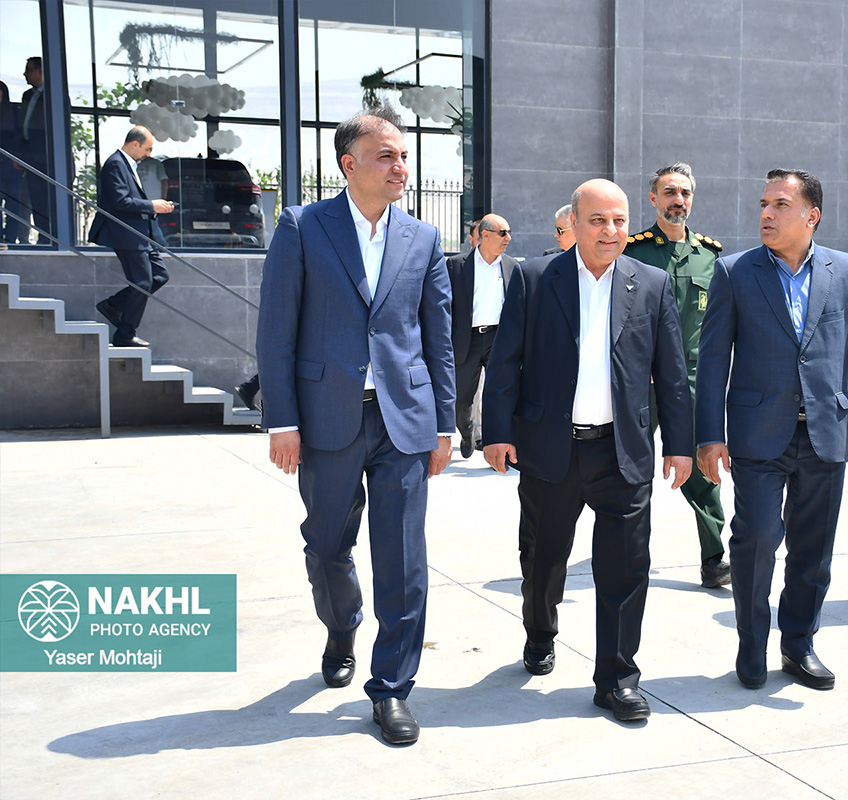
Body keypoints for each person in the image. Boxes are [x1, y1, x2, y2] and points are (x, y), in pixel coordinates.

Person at [256, 107, 455, 746]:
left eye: (404, 157)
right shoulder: (303, 226)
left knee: (404, 559)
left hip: (404, 421)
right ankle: (341, 625)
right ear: (350, 164)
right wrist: (282, 420)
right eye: (387, 156)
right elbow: (276, 331)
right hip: (325, 419)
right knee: (325, 546)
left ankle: (392, 688)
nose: (401, 167)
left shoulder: (423, 238)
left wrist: (445, 424)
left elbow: (438, 338)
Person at [481, 178, 693, 723]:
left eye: (619, 220)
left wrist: (680, 445)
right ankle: (539, 632)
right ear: (573, 224)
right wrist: (496, 432)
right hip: (550, 450)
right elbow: (505, 362)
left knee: (626, 568)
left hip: (622, 452)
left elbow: (672, 374)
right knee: (543, 559)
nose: (610, 231)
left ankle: (617, 679)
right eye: (598, 220)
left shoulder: (651, 283)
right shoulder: (535, 278)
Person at [695, 169, 848, 692]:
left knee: (813, 550)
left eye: (780, 205)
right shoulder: (735, 271)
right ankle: (751, 644)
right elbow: (712, 359)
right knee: (756, 540)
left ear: (812, 215)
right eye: (764, 204)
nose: (766, 213)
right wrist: (708, 435)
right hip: (757, 433)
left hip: (826, 432)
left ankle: (799, 643)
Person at [624, 162, 729, 589]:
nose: (678, 200)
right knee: (632, 470)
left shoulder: (710, 256)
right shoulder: (632, 252)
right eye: (669, 192)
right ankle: (629, 555)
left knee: (704, 472)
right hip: (643, 382)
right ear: (653, 198)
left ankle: (714, 558)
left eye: (684, 193)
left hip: (693, 382)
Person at [89, 126, 174, 347]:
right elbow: (120, 201)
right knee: (142, 282)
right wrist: (151, 205)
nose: (149, 154)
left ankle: (113, 305)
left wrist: (154, 207)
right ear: (135, 144)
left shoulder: (127, 164)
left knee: (160, 275)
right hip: (126, 234)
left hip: (141, 234)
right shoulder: (115, 164)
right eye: (147, 149)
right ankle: (124, 335)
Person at [445, 213, 517, 457]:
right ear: (485, 235)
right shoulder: (456, 265)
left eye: (509, 233)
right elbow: (446, 306)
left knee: (499, 394)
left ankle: (493, 442)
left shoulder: (512, 266)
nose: (508, 238)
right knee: (462, 398)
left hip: (499, 339)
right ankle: (467, 432)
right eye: (503, 233)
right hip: (467, 340)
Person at [17, 57, 50, 243]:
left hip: (48, 158)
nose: (25, 74)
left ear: (41, 72)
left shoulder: (54, 95)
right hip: (30, 157)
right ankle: (43, 239)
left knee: (49, 203)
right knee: (36, 202)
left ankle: (51, 240)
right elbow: (24, 127)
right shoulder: (27, 96)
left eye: (29, 69)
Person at [0, 80, 23, 245]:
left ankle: (11, 238)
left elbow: (20, 137)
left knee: (13, 204)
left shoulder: (14, 112)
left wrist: (18, 158)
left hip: (11, 166)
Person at [136, 155, 169, 247]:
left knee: (153, 226)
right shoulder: (137, 164)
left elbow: (164, 182)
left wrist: (163, 199)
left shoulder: (156, 164)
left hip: (154, 200)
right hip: (140, 201)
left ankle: (163, 246)